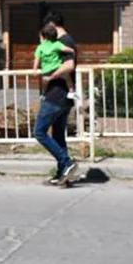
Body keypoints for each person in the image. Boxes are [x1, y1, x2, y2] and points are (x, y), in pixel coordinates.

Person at [32, 15, 78, 185]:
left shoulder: (65, 41)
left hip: (56, 95)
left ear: (52, 25)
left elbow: (69, 66)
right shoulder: (59, 44)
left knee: (39, 132)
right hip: (62, 94)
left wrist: (50, 77)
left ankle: (67, 162)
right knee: (58, 135)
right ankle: (63, 174)